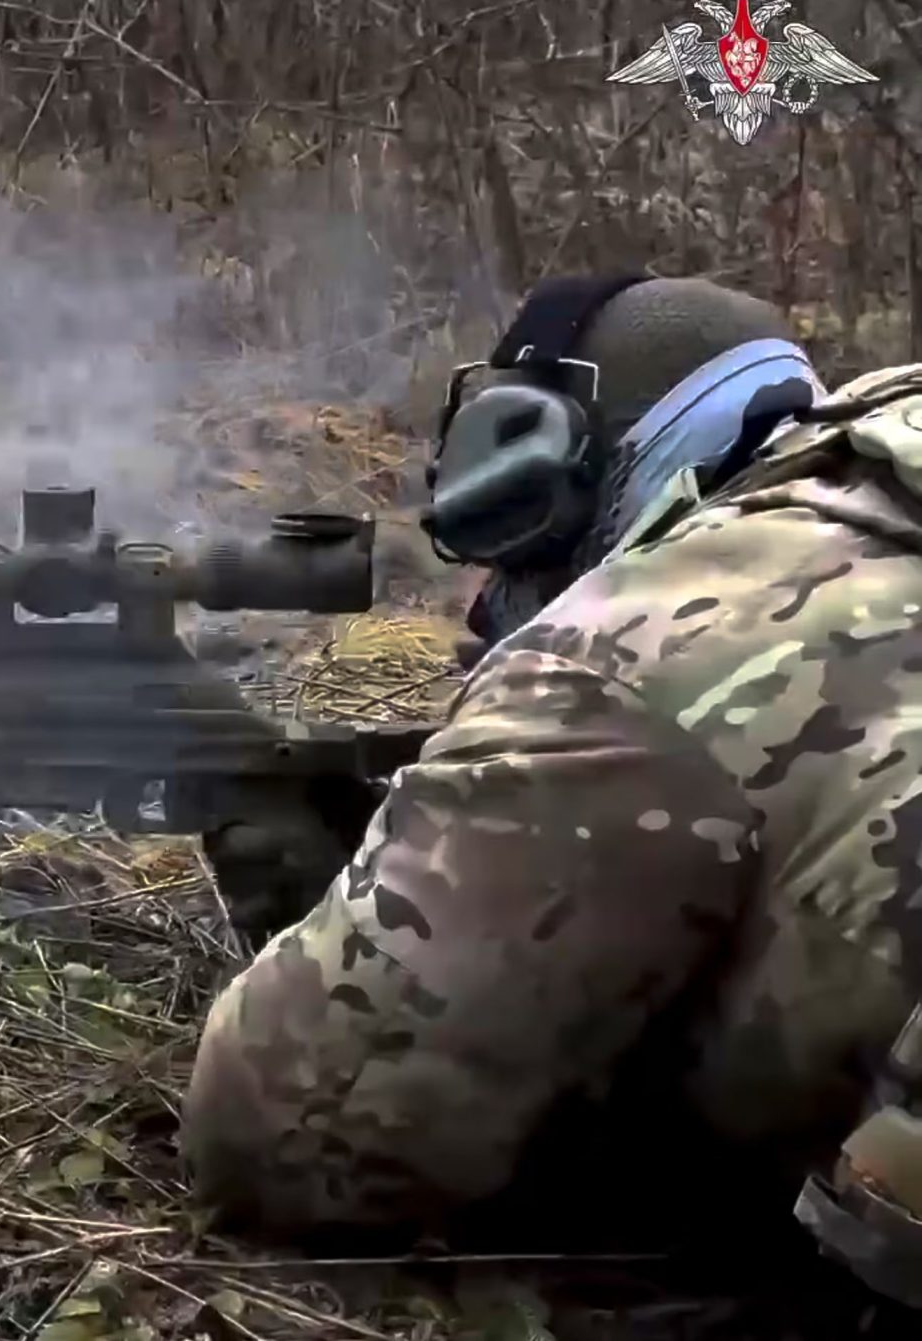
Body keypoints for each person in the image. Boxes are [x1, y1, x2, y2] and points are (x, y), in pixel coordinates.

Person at [182, 273, 922, 1310]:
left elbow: (283, 1132)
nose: (486, 596)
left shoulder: (634, 645)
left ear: (566, 462)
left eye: (511, 528)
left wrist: (320, 899)